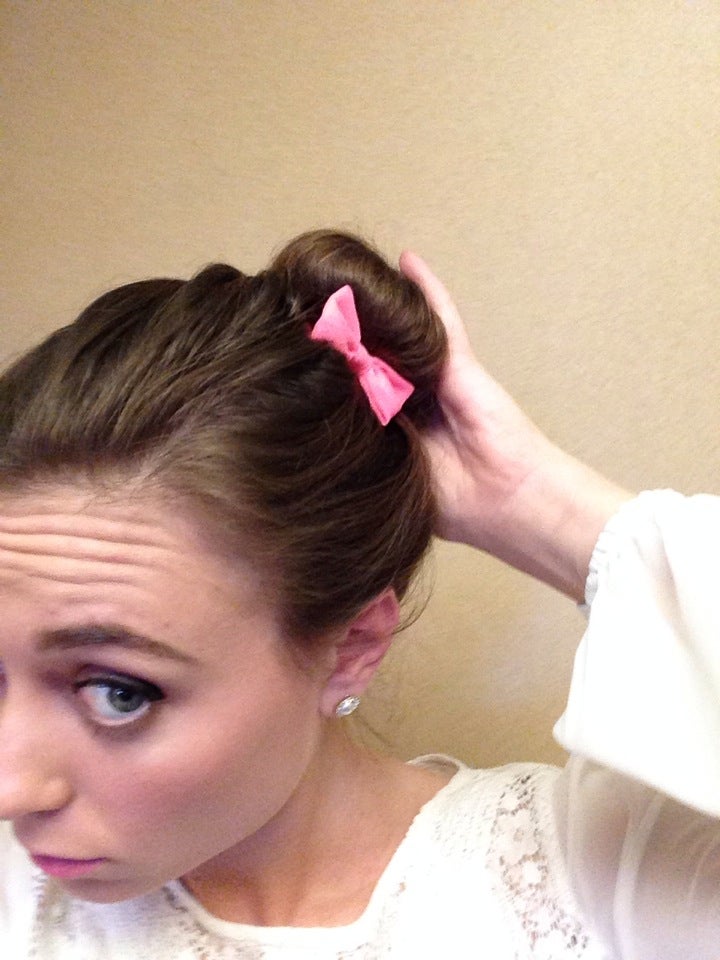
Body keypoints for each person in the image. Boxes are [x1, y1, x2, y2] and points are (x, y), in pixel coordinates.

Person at [0, 230, 717, 959]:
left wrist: (537, 503)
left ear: (351, 649)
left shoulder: (608, 874)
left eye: (118, 693)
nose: (11, 790)